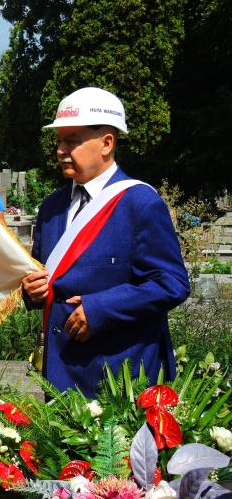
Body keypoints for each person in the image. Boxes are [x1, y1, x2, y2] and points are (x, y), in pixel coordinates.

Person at [21, 87, 189, 397]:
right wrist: (31, 291)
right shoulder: (51, 208)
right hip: (59, 379)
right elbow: (40, 274)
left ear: (106, 144)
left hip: (119, 379)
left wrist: (101, 308)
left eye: (72, 141)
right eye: (59, 141)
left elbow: (171, 283)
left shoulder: (139, 203)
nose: (60, 150)